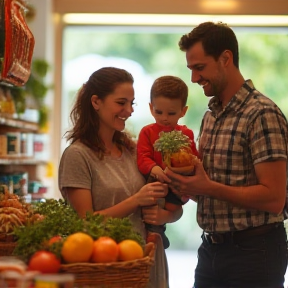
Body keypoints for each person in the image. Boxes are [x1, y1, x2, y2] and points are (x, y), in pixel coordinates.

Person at [164, 21, 288, 288]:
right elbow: (211, 188)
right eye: (191, 69)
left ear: (226, 59)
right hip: (210, 249)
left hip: (256, 252)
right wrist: (185, 185)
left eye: (199, 68)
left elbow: (275, 198)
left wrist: (207, 187)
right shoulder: (210, 117)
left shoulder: (262, 113)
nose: (194, 79)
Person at [58, 67, 171, 288]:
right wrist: (136, 200)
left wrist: (165, 213)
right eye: (121, 103)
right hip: (107, 270)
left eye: (132, 103)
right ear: (96, 102)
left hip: (144, 259)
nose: (129, 110)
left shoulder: (133, 150)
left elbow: (165, 209)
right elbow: (86, 222)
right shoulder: (78, 155)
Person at [137, 75, 199, 249]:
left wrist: (190, 166)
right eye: (159, 112)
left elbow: (193, 156)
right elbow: (142, 156)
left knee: (173, 204)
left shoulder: (186, 134)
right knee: (149, 202)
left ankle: (160, 230)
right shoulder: (147, 132)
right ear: (151, 108)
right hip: (154, 181)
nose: (164, 118)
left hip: (176, 184)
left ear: (183, 111)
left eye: (171, 113)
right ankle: (153, 231)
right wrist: (154, 168)